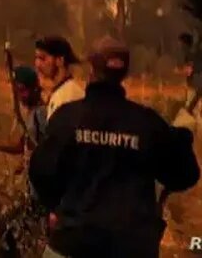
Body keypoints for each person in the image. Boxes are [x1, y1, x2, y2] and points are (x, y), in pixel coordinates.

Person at [29, 36, 200, 258]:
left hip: (72, 243)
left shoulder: (67, 118)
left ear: (91, 68)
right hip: (130, 247)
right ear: (124, 73)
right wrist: (183, 135)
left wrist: (58, 208)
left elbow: (40, 172)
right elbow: (184, 175)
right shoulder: (146, 123)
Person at [0, 66, 47, 157]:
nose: (19, 95)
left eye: (22, 90)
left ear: (34, 89)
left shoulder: (41, 112)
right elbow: (21, 147)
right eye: (16, 91)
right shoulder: (32, 113)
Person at [34, 36, 84, 120]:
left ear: (60, 60)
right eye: (36, 58)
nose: (37, 64)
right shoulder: (60, 92)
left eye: (43, 58)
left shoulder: (69, 95)